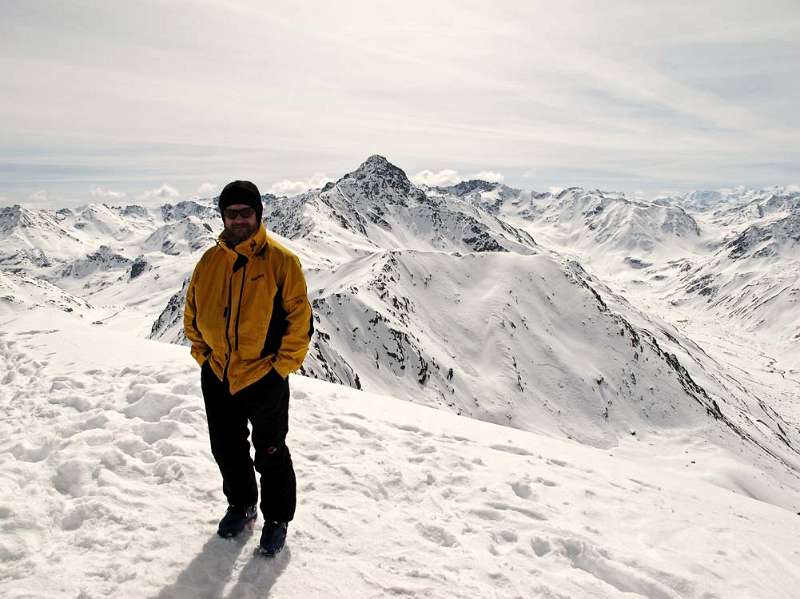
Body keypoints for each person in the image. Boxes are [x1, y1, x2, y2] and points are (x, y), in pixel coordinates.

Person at [183, 180, 313, 557]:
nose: (238, 219)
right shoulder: (209, 261)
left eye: (245, 212)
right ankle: (241, 505)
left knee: (270, 451)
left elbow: (300, 322)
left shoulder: (281, 262)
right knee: (227, 448)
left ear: (258, 214)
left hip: (263, 376)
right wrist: (204, 356)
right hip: (218, 372)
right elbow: (191, 313)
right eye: (231, 213)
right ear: (223, 216)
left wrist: (279, 370)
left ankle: (277, 519)